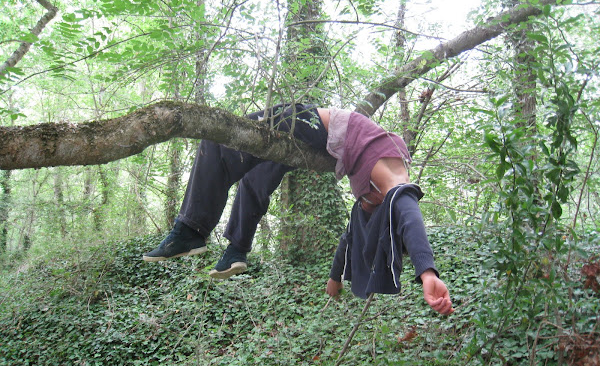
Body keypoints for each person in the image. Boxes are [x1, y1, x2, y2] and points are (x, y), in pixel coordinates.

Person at [143, 103, 453, 315]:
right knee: (218, 138)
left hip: (324, 143)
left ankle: (236, 250)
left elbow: (350, 238)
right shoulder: (393, 181)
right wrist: (427, 272)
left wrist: (333, 284)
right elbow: (410, 218)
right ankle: (191, 229)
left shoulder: (375, 204)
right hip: (311, 121)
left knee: (256, 179)